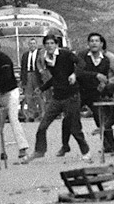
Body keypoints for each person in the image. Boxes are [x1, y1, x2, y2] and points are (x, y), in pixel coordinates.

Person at [32, 32, 91, 161]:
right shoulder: (47, 58)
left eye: (52, 43)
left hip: (71, 95)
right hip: (57, 97)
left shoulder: (66, 54)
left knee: (74, 126)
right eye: (47, 44)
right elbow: (56, 78)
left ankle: (85, 151)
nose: (49, 46)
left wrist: (74, 74)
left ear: (57, 44)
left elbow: (82, 64)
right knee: (43, 125)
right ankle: (39, 150)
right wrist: (42, 89)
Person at [20, 36, 42, 123]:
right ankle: (31, 114)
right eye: (30, 44)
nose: (32, 45)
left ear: (36, 45)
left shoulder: (40, 54)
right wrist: (22, 79)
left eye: (34, 43)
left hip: (37, 75)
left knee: (39, 95)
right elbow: (23, 68)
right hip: (28, 75)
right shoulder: (25, 55)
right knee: (28, 96)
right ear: (28, 45)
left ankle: (41, 114)